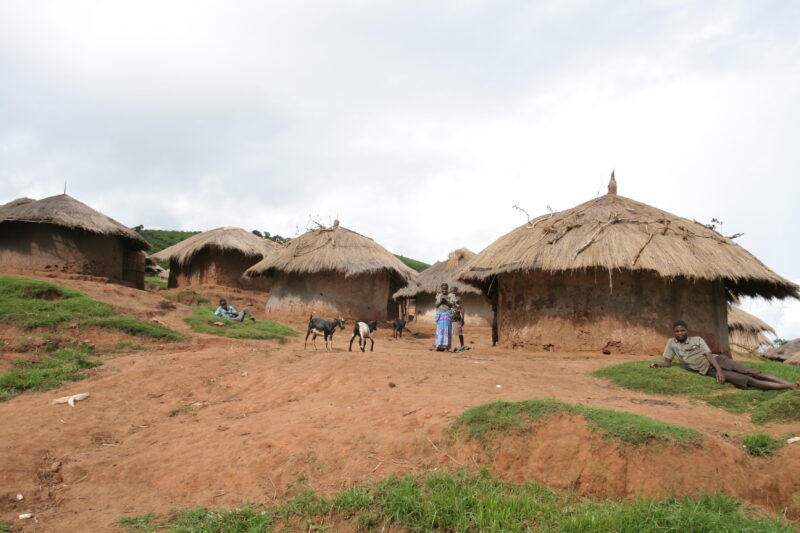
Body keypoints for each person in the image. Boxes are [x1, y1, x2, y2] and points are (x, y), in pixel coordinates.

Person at [650, 320, 799, 390]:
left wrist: (720, 371)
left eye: (682, 330)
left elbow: (708, 355)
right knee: (746, 380)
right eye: (677, 331)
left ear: (687, 331)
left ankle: (789, 384)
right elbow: (668, 362)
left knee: (752, 372)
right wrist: (659, 365)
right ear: (674, 332)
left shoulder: (697, 340)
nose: (680, 333)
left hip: (717, 361)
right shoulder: (672, 343)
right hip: (707, 370)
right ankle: (788, 387)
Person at [433, 283, 456, 351]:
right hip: (440, 315)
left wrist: (446, 301)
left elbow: (451, 305)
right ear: (441, 289)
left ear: (447, 289)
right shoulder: (439, 295)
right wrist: (441, 301)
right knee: (439, 331)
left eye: (445, 289)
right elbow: (436, 305)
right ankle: (439, 346)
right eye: (443, 289)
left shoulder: (451, 295)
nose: (444, 291)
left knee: (447, 330)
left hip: (447, 314)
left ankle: (446, 347)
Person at [450, 286, 470, 353]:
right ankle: (447, 345)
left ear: (456, 291)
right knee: (448, 333)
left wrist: (463, 318)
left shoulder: (458, 298)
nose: (453, 292)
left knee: (459, 332)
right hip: (449, 318)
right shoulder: (448, 298)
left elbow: (462, 309)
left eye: (454, 291)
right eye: (452, 291)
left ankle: (462, 345)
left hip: (457, 318)